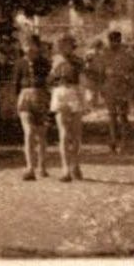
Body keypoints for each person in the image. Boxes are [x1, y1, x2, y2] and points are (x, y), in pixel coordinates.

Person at [12, 35, 51, 181]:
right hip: (25, 98)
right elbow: (15, 85)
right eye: (25, 45)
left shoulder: (44, 63)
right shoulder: (19, 64)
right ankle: (30, 167)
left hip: (41, 98)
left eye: (31, 45)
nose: (28, 48)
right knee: (28, 132)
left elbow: (49, 82)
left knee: (41, 135)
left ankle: (42, 166)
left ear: (38, 47)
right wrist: (19, 100)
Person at [48, 35, 87, 182]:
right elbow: (49, 81)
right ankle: (65, 168)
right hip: (60, 94)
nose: (64, 47)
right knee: (63, 133)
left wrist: (84, 98)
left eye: (67, 44)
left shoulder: (78, 61)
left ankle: (75, 165)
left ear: (72, 46)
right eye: (61, 45)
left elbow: (83, 80)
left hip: (75, 93)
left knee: (76, 134)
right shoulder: (54, 61)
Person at [99, 29, 133, 152]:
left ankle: (124, 142)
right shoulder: (104, 54)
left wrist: (129, 84)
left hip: (123, 85)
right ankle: (113, 140)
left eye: (117, 41)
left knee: (123, 115)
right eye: (112, 41)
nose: (114, 43)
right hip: (109, 86)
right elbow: (101, 73)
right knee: (112, 115)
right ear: (109, 41)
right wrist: (101, 87)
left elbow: (131, 71)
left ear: (120, 40)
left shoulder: (126, 54)